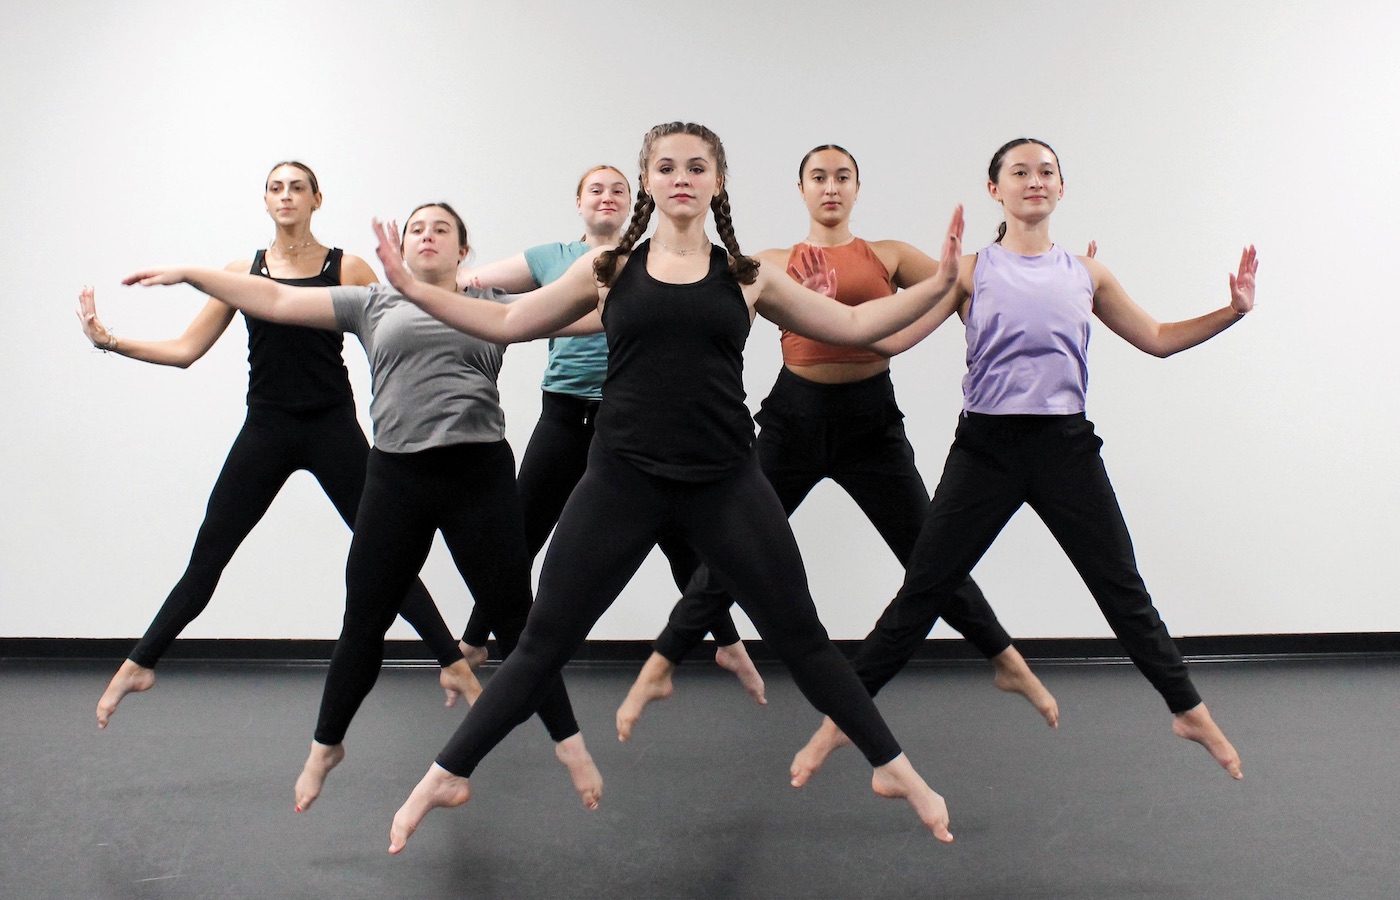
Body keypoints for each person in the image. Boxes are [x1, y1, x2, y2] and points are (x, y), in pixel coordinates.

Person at [372, 122, 970, 853]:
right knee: (539, 644)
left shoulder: (749, 276)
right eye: (666, 166)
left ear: (717, 181)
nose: (681, 176)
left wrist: (940, 283)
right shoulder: (609, 268)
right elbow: (509, 319)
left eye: (696, 166)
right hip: (621, 482)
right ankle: (444, 774)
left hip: (725, 483)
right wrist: (409, 287)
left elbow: (850, 323)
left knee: (804, 640)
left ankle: (898, 770)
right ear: (648, 183)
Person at [790, 138, 1255, 787]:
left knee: (1122, 589)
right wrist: (826, 305)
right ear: (995, 191)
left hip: (1066, 448)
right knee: (923, 591)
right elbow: (886, 337)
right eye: (1019, 171)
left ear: (1061, 189)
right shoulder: (969, 272)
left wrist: (1232, 311)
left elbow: (1157, 340)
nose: (1034, 180)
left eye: (1046, 172)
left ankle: (1188, 709)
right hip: (986, 450)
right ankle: (838, 723)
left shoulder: (1088, 275)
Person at [121, 202, 602, 814]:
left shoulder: (499, 307)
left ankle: (569, 742)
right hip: (396, 477)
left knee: (518, 623)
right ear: (400, 249)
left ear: (464, 253)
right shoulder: (371, 302)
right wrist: (194, 273)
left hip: (478, 476)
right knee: (363, 623)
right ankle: (326, 744)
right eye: (416, 230)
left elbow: (601, 314)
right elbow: (273, 300)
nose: (427, 237)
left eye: (441, 230)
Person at [616, 144, 1060, 742]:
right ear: (800, 189)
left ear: (857, 188)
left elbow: (964, 292)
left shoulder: (890, 255)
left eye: (842, 177)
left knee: (929, 549)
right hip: (793, 420)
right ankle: (666, 658)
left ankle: (1004, 659)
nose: (830, 187)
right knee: (734, 545)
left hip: (870, 423)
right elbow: (704, 327)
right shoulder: (768, 261)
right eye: (818, 178)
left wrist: (1051, 274)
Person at [79, 162, 476, 730]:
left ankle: (451, 663)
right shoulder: (243, 271)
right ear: (264, 200)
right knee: (208, 557)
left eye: (297, 187)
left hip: (332, 428)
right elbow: (187, 349)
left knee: (383, 554)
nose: (286, 196)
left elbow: (399, 328)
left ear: (318, 198)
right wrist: (108, 341)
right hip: (266, 429)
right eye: (276, 187)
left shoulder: (348, 267)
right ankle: (141, 662)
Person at [453, 166, 763, 705]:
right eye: (595, 189)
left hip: (631, 421)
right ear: (579, 202)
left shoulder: (644, 266)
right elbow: (475, 284)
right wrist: (425, 282)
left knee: (681, 540)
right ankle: (476, 641)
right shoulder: (550, 258)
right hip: (565, 415)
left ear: (632, 201)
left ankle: (728, 641)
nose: (606, 196)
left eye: (617, 189)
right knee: (523, 528)